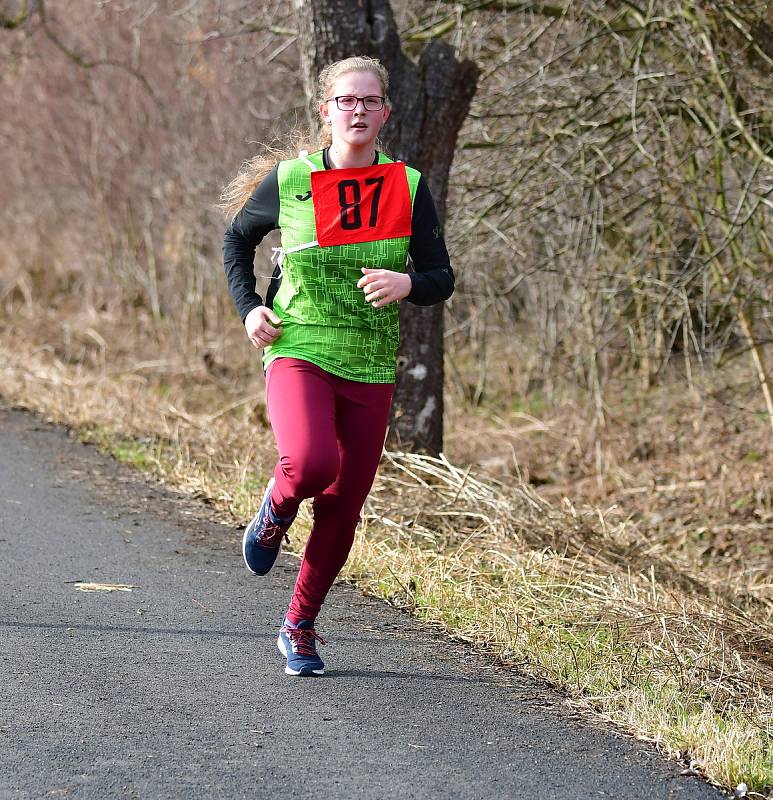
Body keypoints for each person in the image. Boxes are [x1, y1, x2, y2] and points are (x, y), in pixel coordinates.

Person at [221, 55, 454, 677]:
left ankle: (299, 624)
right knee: (310, 462)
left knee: (344, 505)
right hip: (298, 344)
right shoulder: (291, 179)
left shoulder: (407, 185)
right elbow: (236, 241)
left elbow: (441, 276)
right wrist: (249, 311)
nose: (357, 111)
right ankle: (276, 506)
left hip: (371, 360)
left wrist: (406, 284)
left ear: (385, 113)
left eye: (369, 102)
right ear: (325, 110)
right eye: (346, 101)